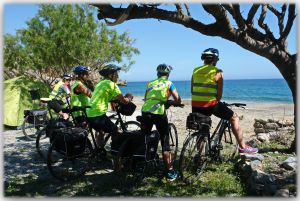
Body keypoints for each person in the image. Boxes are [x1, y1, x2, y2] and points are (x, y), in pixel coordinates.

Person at [191, 48, 258, 154]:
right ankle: (243, 147)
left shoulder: (195, 70)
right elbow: (219, 95)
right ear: (215, 60)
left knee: (201, 129)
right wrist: (216, 100)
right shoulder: (218, 72)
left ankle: (200, 156)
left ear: (203, 59)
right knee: (234, 118)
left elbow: (192, 90)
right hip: (210, 104)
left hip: (195, 104)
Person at [141, 63, 182, 181]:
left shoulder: (150, 83)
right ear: (168, 74)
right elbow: (177, 98)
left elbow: (146, 97)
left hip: (145, 111)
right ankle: (169, 171)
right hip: (158, 112)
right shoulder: (169, 83)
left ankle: (141, 163)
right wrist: (174, 102)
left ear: (157, 74)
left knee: (144, 137)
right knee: (165, 141)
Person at [86, 64, 133, 148]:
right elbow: (124, 101)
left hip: (89, 114)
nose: (118, 76)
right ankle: (115, 153)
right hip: (98, 115)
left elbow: (108, 97)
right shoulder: (111, 84)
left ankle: (99, 151)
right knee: (116, 131)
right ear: (110, 75)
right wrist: (129, 98)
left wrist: (116, 100)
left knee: (101, 132)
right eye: (116, 74)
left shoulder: (101, 83)